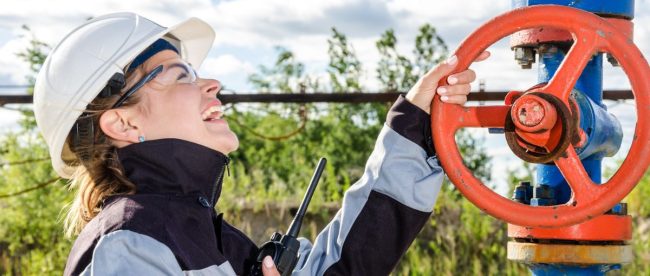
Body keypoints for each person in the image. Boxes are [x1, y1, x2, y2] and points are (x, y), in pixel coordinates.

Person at [33, 13, 488, 276]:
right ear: (123, 123)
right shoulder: (131, 242)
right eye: (180, 75)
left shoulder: (200, 233)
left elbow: (339, 267)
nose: (211, 82)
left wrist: (416, 122)